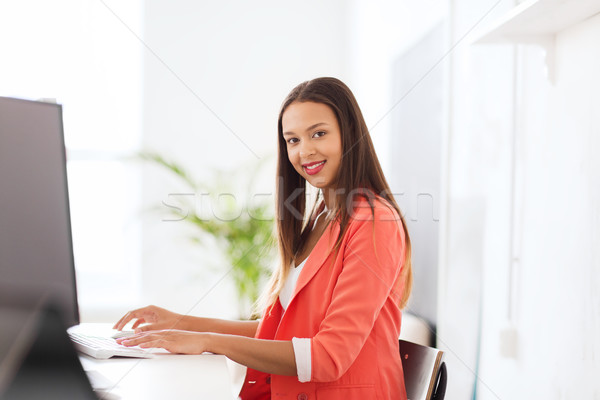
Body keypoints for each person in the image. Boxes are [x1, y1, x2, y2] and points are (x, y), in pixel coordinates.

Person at [114, 77, 413, 400]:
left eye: (319, 133)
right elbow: (279, 334)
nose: (304, 151)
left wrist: (208, 341)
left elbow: (329, 356)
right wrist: (183, 323)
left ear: (350, 134)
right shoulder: (319, 216)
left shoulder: (374, 221)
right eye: (292, 140)